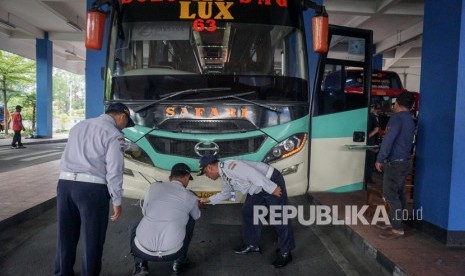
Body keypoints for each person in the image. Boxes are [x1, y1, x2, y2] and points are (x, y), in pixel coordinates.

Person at [55, 103, 135, 276]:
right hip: (92, 189)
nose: (125, 128)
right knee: (93, 239)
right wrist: (117, 200)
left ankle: (62, 273)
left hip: (65, 185)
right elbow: (114, 170)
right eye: (126, 124)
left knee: (65, 236)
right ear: (122, 116)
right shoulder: (114, 134)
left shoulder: (78, 126)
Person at [198, 154, 295, 268]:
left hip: (270, 180)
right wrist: (207, 200)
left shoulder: (230, 166)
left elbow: (253, 174)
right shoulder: (224, 175)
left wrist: (272, 188)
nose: (207, 176)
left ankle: (286, 252)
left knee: (279, 217)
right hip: (257, 188)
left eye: (205, 173)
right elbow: (227, 193)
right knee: (248, 211)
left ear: (209, 167)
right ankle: (252, 244)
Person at [130, 163, 200, 275]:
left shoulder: (154, 186)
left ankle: (140, 266)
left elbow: (145, 211)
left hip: (142, 251)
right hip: (173, 253)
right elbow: (196, 215)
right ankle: (178, 264)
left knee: (135, 224)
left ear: (169, 177)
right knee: (190, 219)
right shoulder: (191, 196)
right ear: (187, 177)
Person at [375, 92, 415, 240]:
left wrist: (380, 158)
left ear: (397, 103)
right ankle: (396, 223)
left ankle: (397, 229)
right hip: (405, 161)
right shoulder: (410, 119)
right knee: (399, 194)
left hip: (395, 163)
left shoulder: (396, 118)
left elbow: (388, 140)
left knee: (390, 195)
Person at [365, 103, 380, 184]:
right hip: (370, 143)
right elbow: (377, 129)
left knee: (365, 161)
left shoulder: (363, 115)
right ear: (373, 108)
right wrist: (368, 136)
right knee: (370, 162)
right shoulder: (373, 116)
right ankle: (368, 179)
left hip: (363, 142)